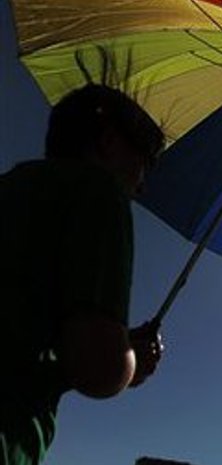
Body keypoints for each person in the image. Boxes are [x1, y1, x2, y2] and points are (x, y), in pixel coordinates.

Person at [0, 84, 166, 465]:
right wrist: (131, 362)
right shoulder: (99, 191)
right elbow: (98, 368)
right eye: (143, 162)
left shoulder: (13, 186)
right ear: (109, 142)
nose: (141, 186)